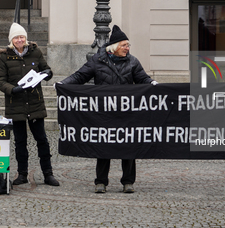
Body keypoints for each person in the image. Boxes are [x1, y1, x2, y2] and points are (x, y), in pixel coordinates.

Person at [59, 25, 157, 194]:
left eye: (128, 45)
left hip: (127, 113)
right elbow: (80, 76)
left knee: (129, 146)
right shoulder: (98, 61)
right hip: (104, 113)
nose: (127, 48)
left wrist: (152, 84)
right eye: (124, 45)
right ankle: (101, 181)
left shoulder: (133, 61)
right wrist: (63, 85)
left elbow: (143, 79)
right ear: (115, 47)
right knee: (103, 146)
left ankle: (128, 181)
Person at [0, 23, 60, 186]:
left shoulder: (35, 52)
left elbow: (46, 69)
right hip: (16, 104)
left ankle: (48, 174)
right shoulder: (4, 56)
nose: (20, 40)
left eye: (22, 37)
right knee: (20, 141)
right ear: (11, 40)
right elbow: (1, 81)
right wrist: (13, 89)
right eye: (16, 37)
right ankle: (22, 174)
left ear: (25, 38)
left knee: (42, 140)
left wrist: (48, 74)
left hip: (34, 103)